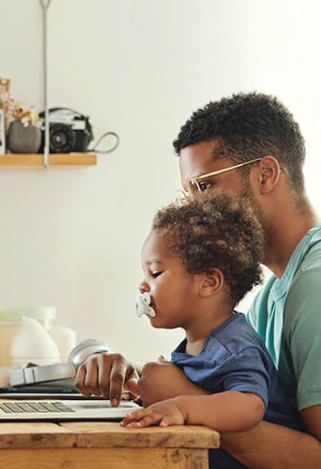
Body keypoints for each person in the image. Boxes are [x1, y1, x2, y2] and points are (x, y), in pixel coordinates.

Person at [75, 93, 321, 467]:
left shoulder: (315, 286)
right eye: (188, 193)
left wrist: (183, 398)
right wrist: (136, 373)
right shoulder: (273, 291)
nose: (195, 209)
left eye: (204, 187)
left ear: (265, 174)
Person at [120, 194, 305, 467]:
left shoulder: (234, 346)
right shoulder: (200, 342)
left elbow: (250, 405)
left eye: (155, 273)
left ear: (209, 282)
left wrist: (181, 406)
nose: (143, 286)